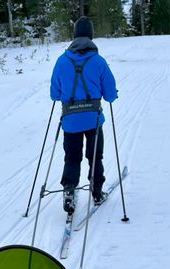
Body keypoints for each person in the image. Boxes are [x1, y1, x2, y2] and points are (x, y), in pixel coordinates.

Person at [50, 16, 118, 213]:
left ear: (74, 35)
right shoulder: (98, 61)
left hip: (70, 121)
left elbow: (55, 94)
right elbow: (111, 95)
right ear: (91, 35)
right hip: (93, 119)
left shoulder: (62, 61)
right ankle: (97, 191)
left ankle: (69, 191)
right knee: (95, 156)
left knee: (72, 157)